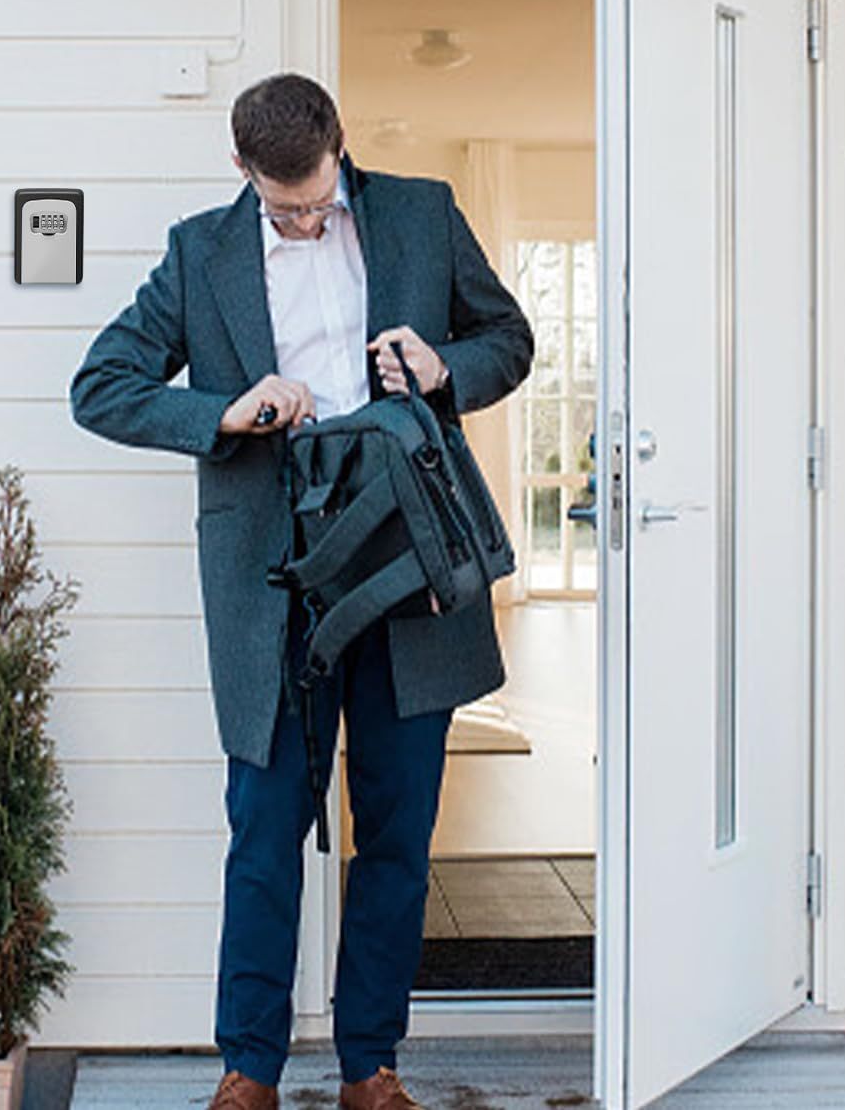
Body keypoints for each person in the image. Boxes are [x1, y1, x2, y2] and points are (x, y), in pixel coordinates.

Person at [68, 72, 534, 1110]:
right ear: (243, 171)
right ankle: (250, 1068)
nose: (310, 218)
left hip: (410, 572)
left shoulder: (421, 213)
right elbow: (100, 386)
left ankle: (371, 1064)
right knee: (266, 826)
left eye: (321, 199)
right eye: (289, 208)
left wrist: (443, 364)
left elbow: (511, 341)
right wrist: (226, 411)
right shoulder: (201, 252)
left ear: (340, 146)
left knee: (399, 827)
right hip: (272, 588)